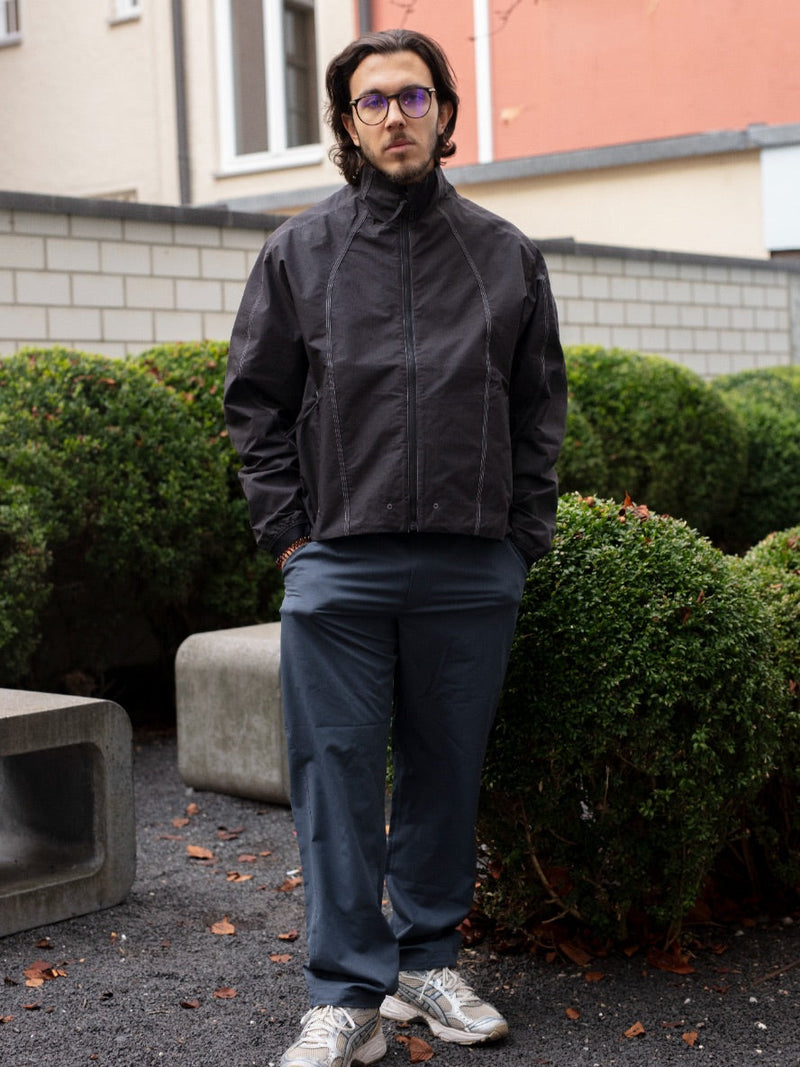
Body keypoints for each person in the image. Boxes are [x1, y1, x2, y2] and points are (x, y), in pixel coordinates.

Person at [224, 27, 567, 1067]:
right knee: (334, 777)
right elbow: (255, 403)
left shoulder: (504, 254)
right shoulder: (298, 253)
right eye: (371, 101)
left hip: (469, 562)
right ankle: (346, 995)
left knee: (444, 772)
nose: (394, 116)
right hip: (339, 562)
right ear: (347, 122)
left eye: (413, 97)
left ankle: (424, 964)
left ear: (444, 113)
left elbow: (537, 407)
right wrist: (290, 539)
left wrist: (519, 539)